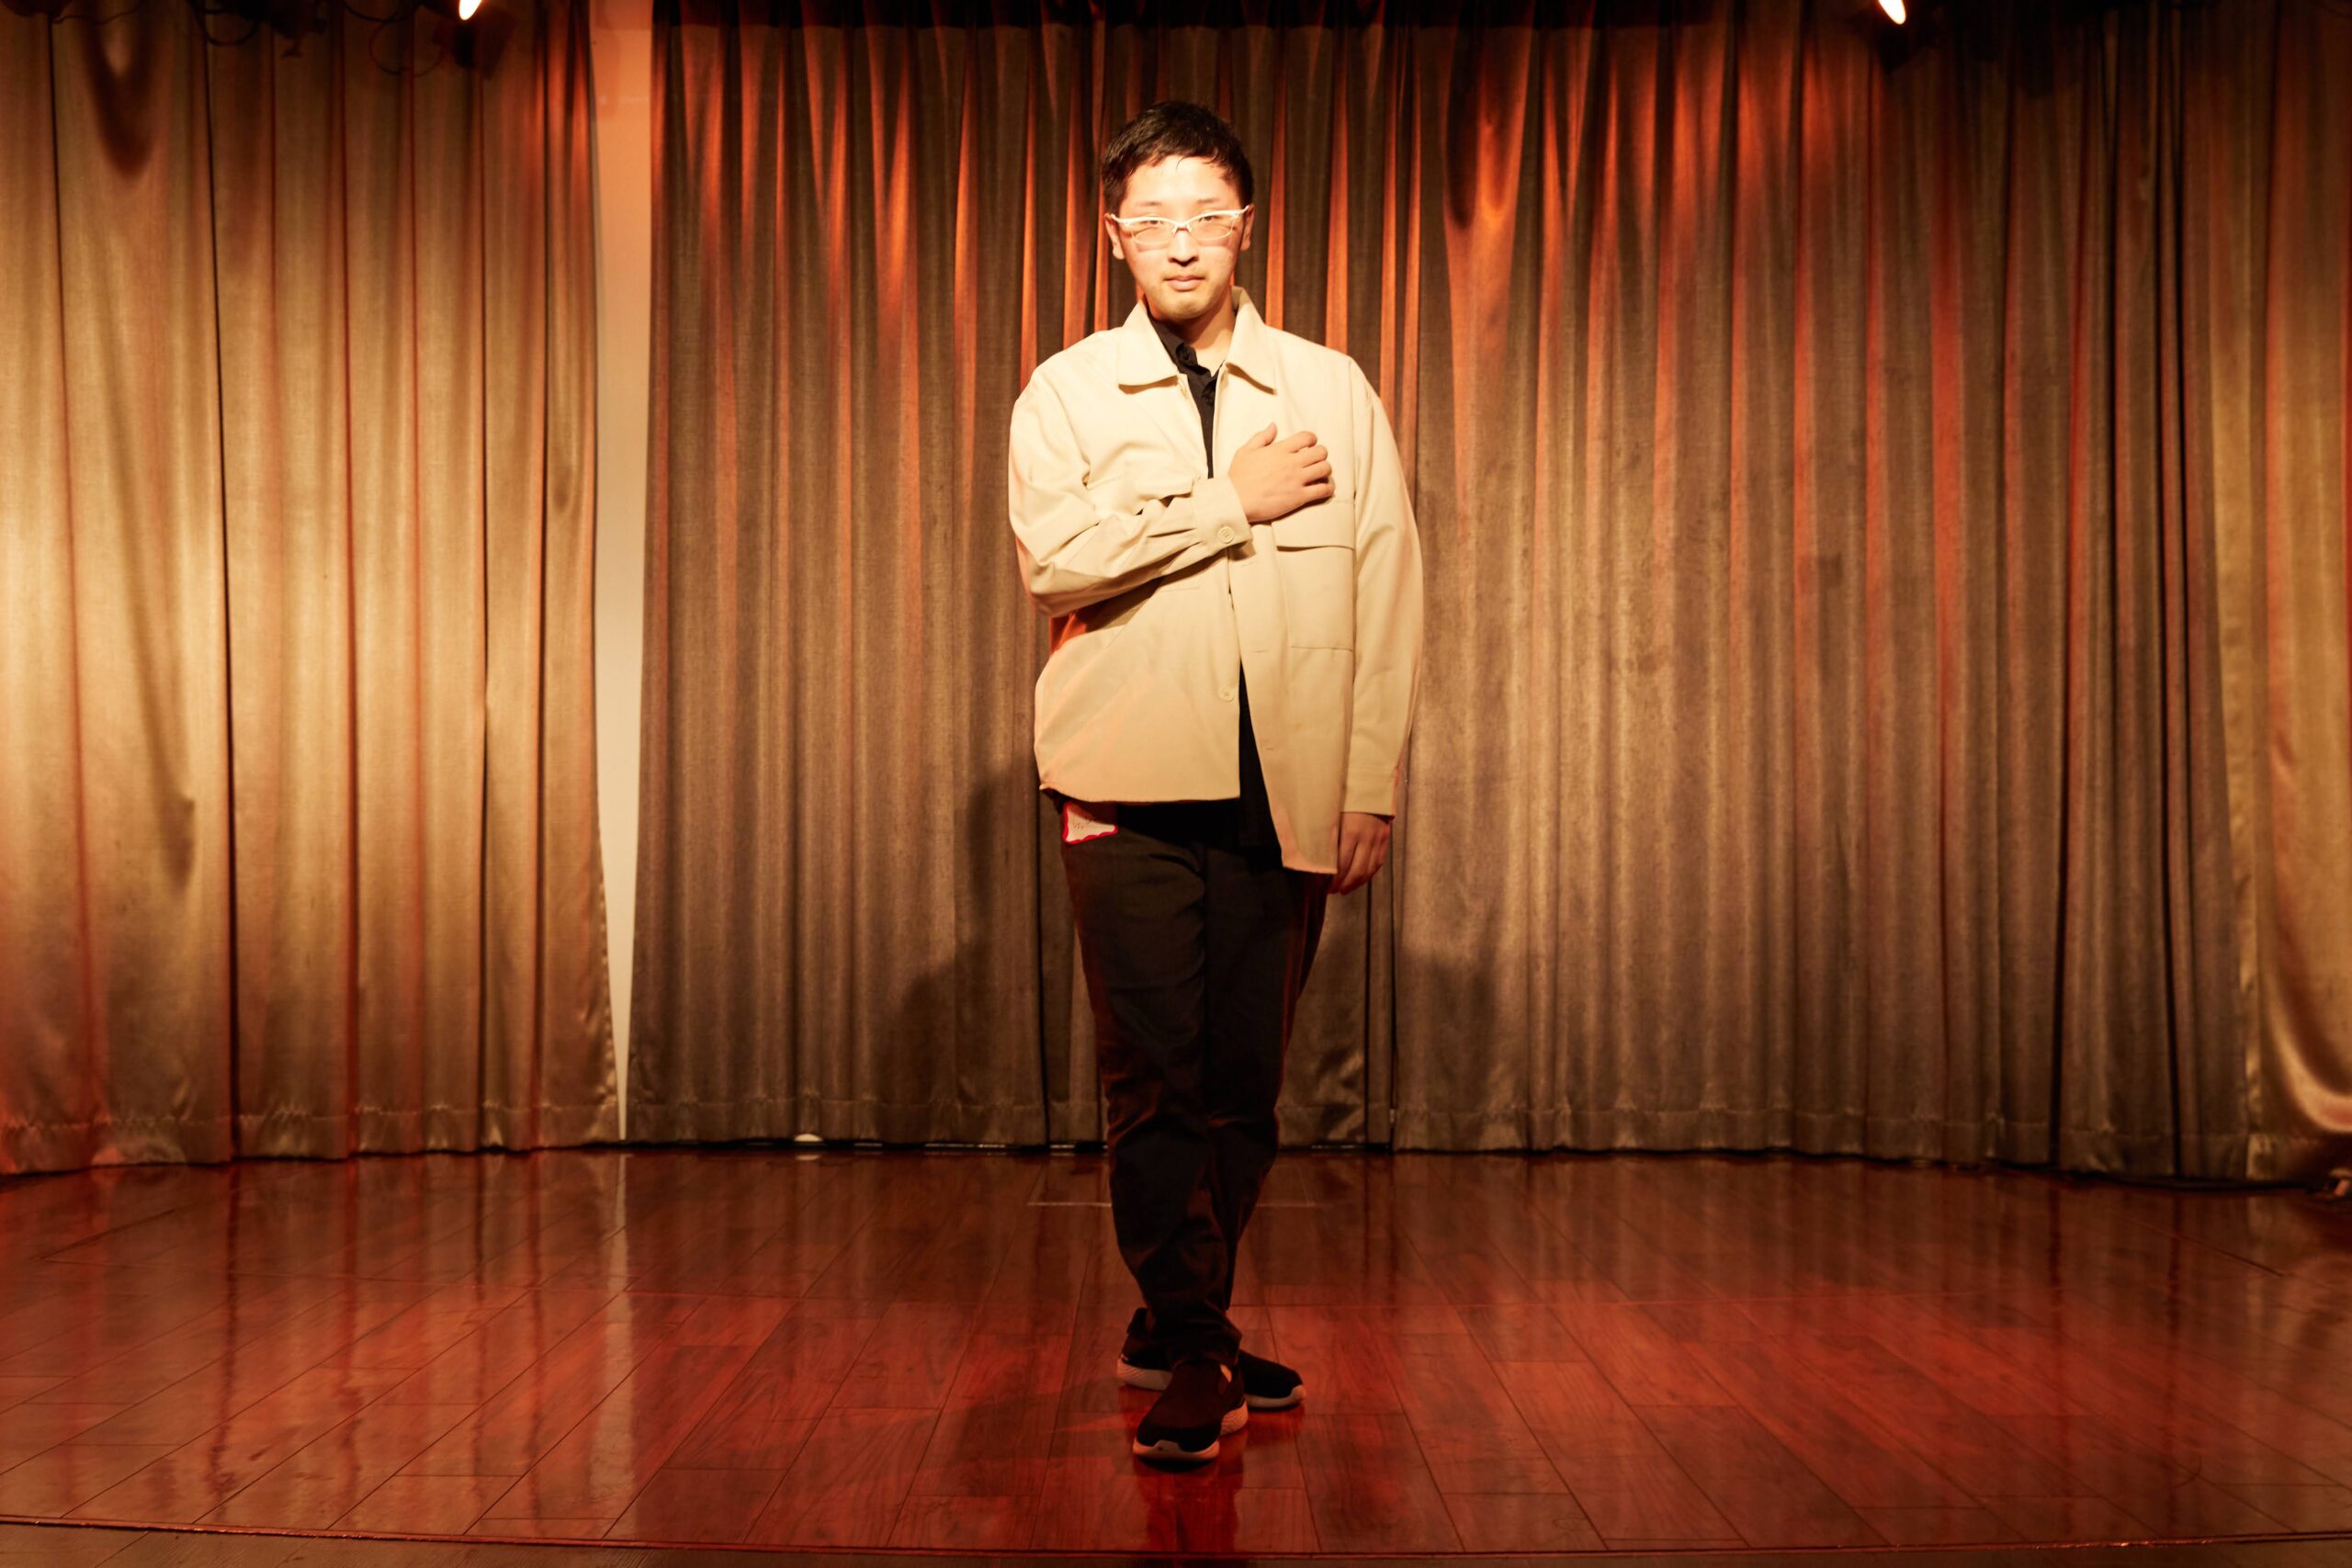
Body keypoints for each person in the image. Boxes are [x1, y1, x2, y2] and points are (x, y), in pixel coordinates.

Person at [1005, 100, 1424, 1464]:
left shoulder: (1330, 389)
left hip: (1283, 780)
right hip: (1120, 782)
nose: (1182, 242)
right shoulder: (1068, 390)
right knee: (1154, 1081)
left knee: (1246, 1082)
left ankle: (1173, 1320)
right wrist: (1230, 501)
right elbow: (1056, 563)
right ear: (1114, 235)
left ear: (1245, 225)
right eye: (1154, 220)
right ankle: (1195, 1341)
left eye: (1206, 216)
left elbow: (1388, 589)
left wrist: (1368, 781)